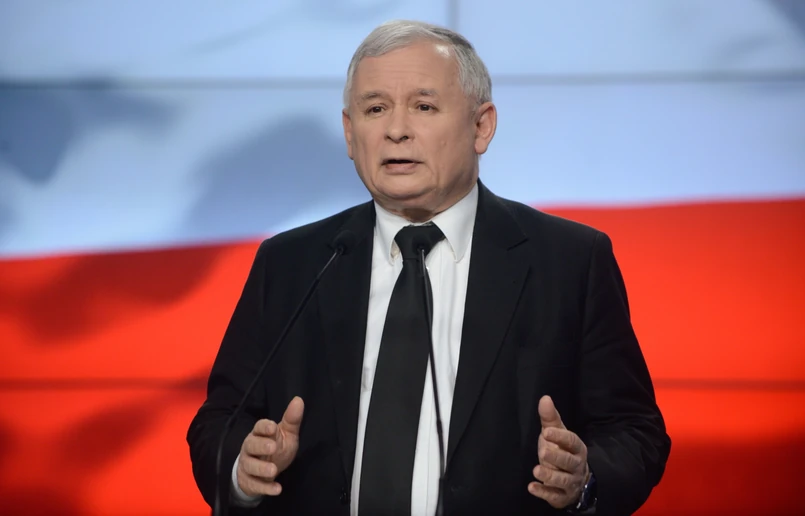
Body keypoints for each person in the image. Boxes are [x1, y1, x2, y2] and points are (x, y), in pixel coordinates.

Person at [187, 19, 671, 516]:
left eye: (423, 106)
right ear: (350, 133)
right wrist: (244, 467)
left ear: (481, 126)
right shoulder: (291, 263)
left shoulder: (569, 261)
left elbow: (635, 431)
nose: (396, 130)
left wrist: (583, 478)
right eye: (375, 109)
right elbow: (219, 421)